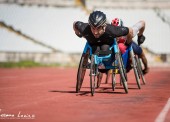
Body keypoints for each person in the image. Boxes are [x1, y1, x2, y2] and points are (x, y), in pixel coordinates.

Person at [73, 10, 146, 73]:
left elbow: (131, 30)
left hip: (107, 52)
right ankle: (97, 63)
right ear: (89, 25)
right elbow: (75, 24)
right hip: (94, 49)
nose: (95, 32)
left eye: (98, 29)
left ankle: (145, 67)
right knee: (95, 48)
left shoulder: (113, 30)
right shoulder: (84, 28)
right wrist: (78, 34)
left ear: (104, 26)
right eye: (93, 28)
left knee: (105, 47)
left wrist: (128, 42)